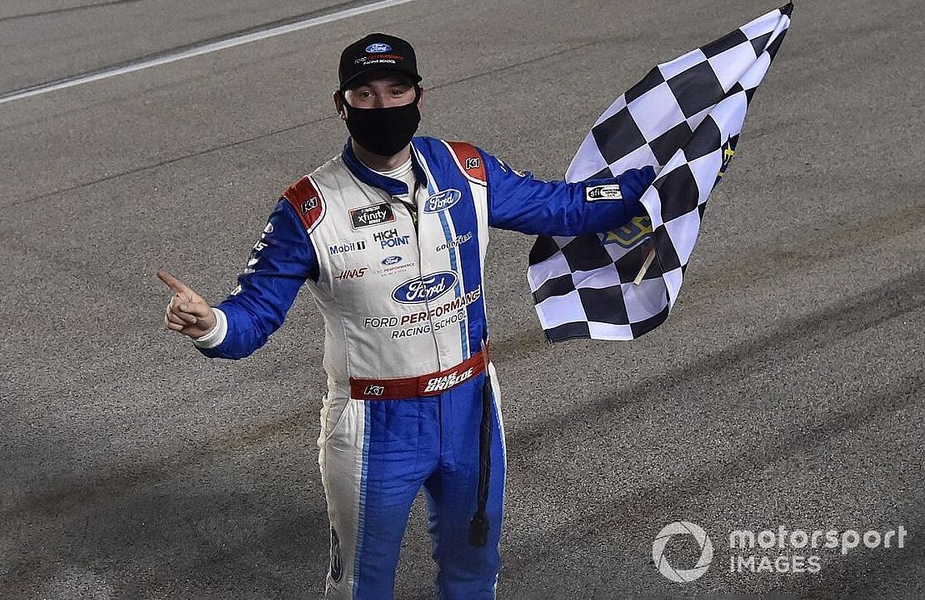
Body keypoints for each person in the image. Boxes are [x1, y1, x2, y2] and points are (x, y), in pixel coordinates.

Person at [159, 33, 654, 599]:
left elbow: (564, 207)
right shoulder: (309, 207)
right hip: (374, 425)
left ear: (421, 95)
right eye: (365, 95)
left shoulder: (467, 170)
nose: (382, 107)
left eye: (396, 91)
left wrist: (662, 174)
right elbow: (253, 315)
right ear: (340, 104)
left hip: (471, 407)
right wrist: (210, 324)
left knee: (474, 573)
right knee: (359, 589)